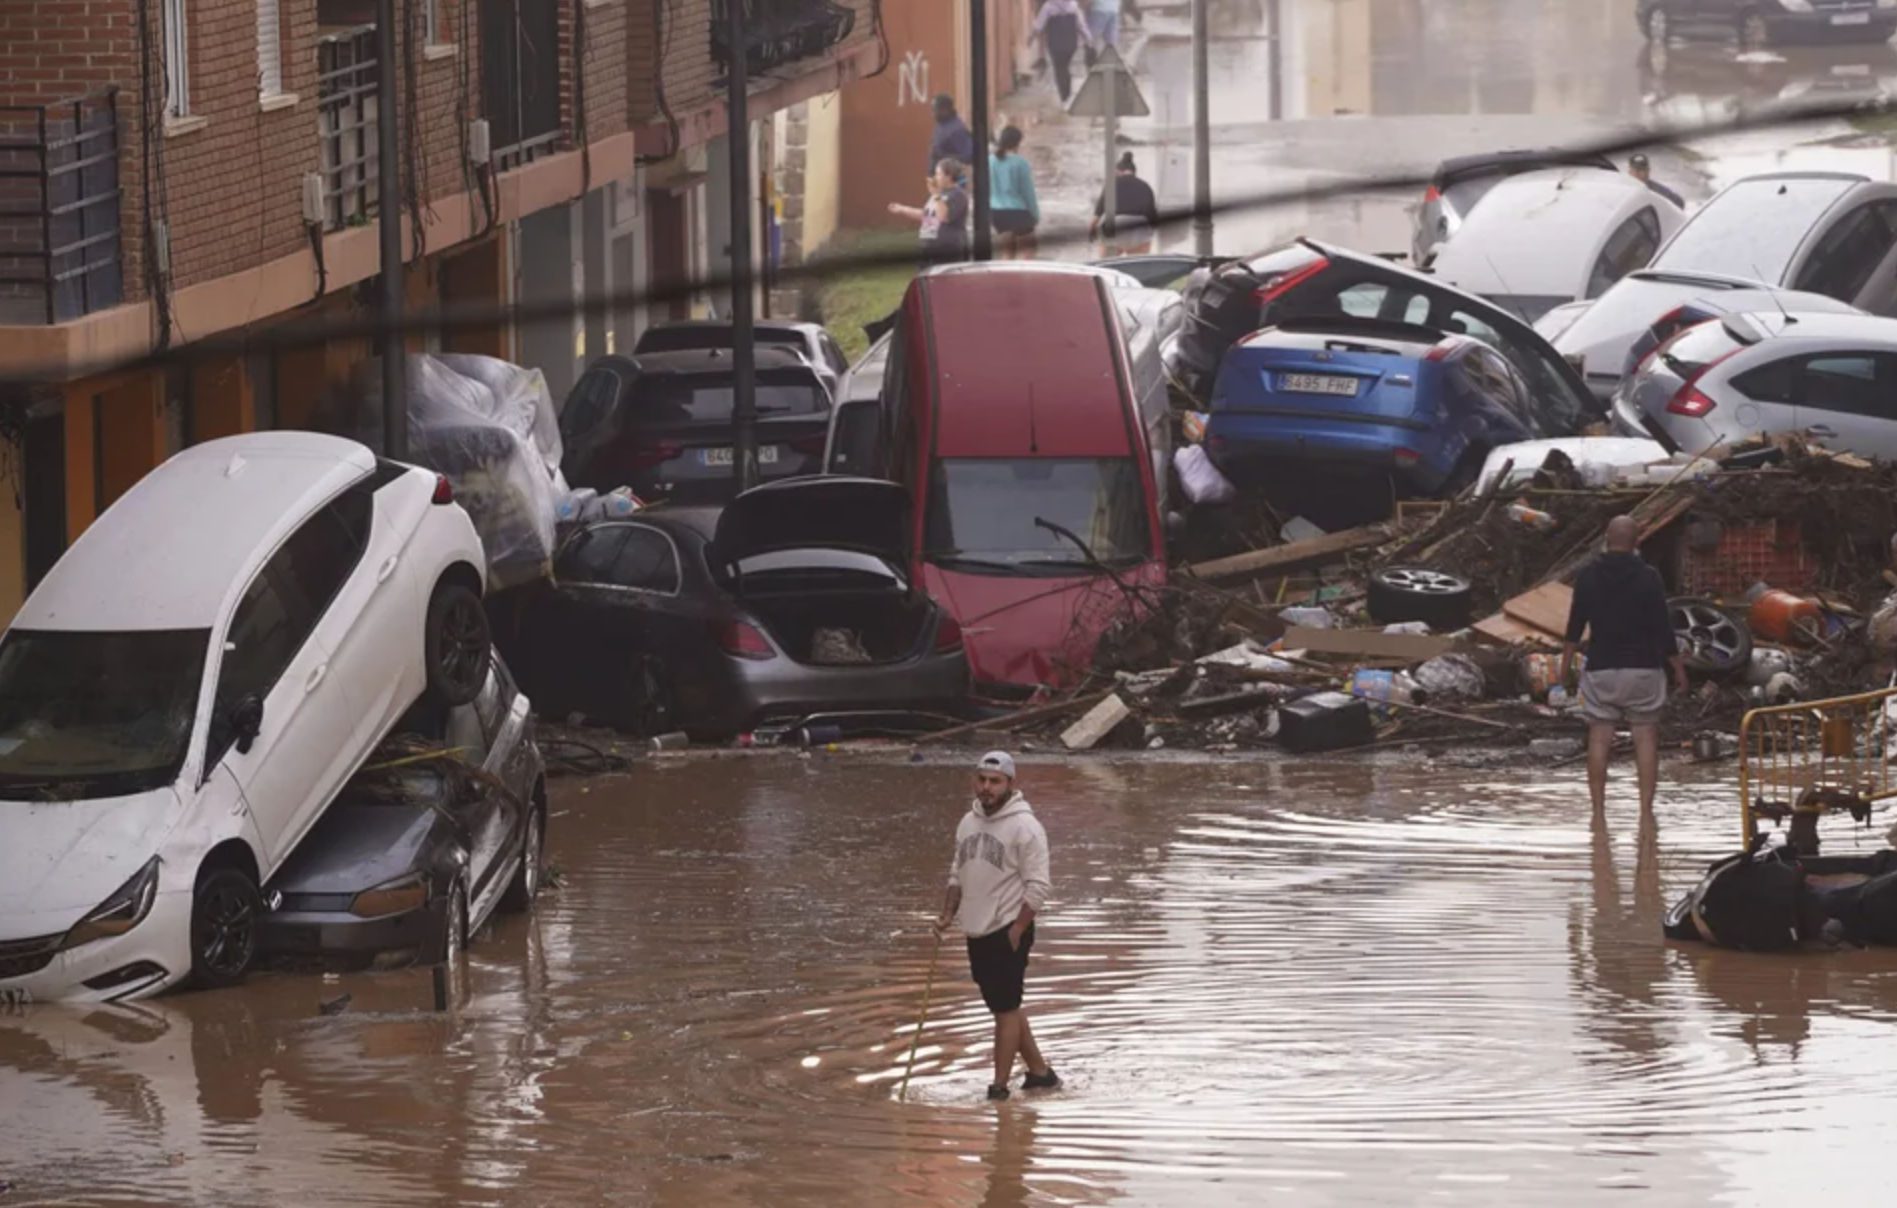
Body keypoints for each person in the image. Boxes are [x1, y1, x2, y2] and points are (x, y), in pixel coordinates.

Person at [934, 751, 1058, 1102]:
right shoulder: (967, 823)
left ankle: (999, 1088)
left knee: (1004, 1011)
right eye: (982, 780)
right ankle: (1040, 1073)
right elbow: (957, 875)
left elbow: (1039, 887)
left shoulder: (1026, 827)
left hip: (1007, 928)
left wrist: (1017, 930)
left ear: (1009, 785)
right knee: (1006, 1005)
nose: (986, 788)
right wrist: (946, 916)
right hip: (975, 929)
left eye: (995, 781)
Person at [1560, 515, 1689, 817]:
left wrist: (1565, 668)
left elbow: (1574, 626)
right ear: (1636, 541)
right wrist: (1678, 669)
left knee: (1599, 737)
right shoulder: (1649, 577)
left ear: (1606, 537)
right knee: (1645, 737)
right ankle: (1645, 811)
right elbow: (1662, 627)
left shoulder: (1588, 576)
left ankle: (1598, 812)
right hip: (1643, 669)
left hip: (1601, 669)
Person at [889, 158, 970, 262]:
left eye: (938, 174)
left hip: (947, 249)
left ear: (948, 176)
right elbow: (926, 215)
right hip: (929, 247)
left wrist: (936, 195)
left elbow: (943, 217)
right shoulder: (938, 194)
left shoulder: (957, 195)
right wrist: (902, 209)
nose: (935, 177)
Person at [1090, 152, 1161, 257]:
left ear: (1118, 171)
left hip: (1114, 227)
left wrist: (1092, 234)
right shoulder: (1146, 187)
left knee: (1107, 265)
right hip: (1139, 229)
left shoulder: (1111, 185)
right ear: (1134, 172)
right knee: (1137, 265)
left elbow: (1097, 216)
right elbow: (1153, 218)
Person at [989, 126, 1040, 260]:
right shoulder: (1020, 163)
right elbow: (1028, 192)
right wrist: (1035, 215)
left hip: (997, 213)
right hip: (1019, 213)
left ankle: (1005, 280)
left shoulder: (990, 161)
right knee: (1028, 254)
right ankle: (1026, 281)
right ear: (1018, 143)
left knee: (1006, 254)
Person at [1033, 0, 1089, 105]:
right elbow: (1081, 25)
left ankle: (1065, 97)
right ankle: (1067, 95)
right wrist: (1088, 38)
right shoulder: (1073, 5)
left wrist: (1032, 36)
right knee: (1065, 67)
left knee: (1059, 69)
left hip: (1055, 43)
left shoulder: (1048, 6)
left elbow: (1039, 25)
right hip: (1070, 44)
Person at [927, 94, 975, 179]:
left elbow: (969, 156)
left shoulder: (956, 129)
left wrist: (944, 157)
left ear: (945, 109)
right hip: (939, 182)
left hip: (951, 184)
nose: (933, 114)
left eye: (935, 110)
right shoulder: (942, 125)